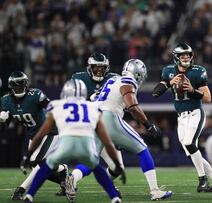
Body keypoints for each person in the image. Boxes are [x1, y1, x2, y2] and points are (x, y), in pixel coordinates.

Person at [71, 58, 173, 201]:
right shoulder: (128, 81)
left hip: (94, 118)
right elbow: (132, 106)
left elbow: (94, 98)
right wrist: (148, 125)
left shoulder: (112, 80)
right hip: (108, 117)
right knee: (142, 148)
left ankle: (72, 179)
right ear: (138, 73)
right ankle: (155, 191)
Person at [23, 79, 122, 203]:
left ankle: (29, 195)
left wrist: (28, 155)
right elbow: (106, 141)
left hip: (65, 144)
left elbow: (40, 134)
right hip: (85, 145)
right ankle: (114, 197)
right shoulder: (93, 107)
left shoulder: (56, 105)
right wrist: (117, 165)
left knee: (47, 167)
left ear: (65, 93)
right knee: (97, 168)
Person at [152, 42, 212, 192]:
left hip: (195, 113)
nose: (186, 57)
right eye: (182, 55)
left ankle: (202, 179)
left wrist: (192, 90)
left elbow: (208, 98)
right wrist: (168, 83)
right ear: (176, 57)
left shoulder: (198, 71)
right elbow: (155, 93)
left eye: (188, 55)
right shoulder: (168, 71)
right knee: (190, 151)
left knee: (190, 144)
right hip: (181, 117)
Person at [0, 71, 67, 200]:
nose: (18, 88)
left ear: (26, 84)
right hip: (33, 136)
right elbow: (4, 127)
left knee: (37, 162)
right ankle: (62, 174)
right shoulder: (6, 100)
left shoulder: (35, 94)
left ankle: (20, 190)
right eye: (15, 85)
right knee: (36, 166)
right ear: (10, 87)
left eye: (21, 85)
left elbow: (51, 107)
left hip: (50, 131)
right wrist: (2, 120)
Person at [70, 52, 126, 189]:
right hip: (89, 127)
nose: (99, 70)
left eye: (102, 67)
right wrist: (89, 98)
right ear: (90, 67)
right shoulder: (79, 78)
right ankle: (71, 179)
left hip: (107, 127)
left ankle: (73, 179)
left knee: (117, 168)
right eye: (96, 67)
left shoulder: (114, 79)